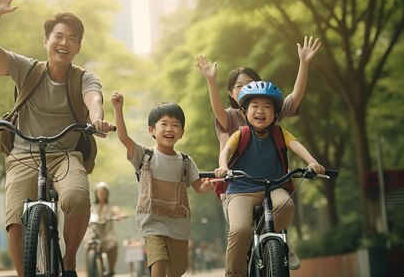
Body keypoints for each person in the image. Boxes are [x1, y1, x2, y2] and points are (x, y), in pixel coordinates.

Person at [0, 0, 115, 277]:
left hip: (65, 154)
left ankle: (70, 261)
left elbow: (94, 99)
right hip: (24, 154)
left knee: (76, 198)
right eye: (58, 36)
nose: (64, 43)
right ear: (46, 40)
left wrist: (97, 118)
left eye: (72, 39)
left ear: (78, 47)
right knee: (14, 218)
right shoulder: (26, 69)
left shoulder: (83, 78)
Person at [213, 81, 326, 277]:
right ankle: (235, 274)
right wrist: (223, 167)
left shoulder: (280, 133)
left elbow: (296, 145)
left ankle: (272, 239)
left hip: (273, 187)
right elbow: (227, 150)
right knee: (239, 230)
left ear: (275, 113)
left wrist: (313, 162)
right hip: (241, 189)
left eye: (267, 107)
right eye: (254, 106)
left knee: (286, 205)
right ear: (244, 111)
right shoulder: (242, 133)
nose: (261, 111)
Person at [195, 36, 321, 211]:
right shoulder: (230, 116)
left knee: (281, 212)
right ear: (231, 94)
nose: (245, 88)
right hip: (236, 185)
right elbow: (217, 109)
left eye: (250, 83)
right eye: (239, 86)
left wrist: (304, 63)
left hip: (269, 183)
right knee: (241, 229)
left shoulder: (268, 112)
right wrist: (211, 81)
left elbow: (295, 97)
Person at [110, 92, 213, 277]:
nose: (169, 129)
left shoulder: (186, 162)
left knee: (178, 270)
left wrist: (206, 186)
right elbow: (124, 138)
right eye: (164, 124)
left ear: (181, 132)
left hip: (178, 226)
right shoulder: (144, 155)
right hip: (152, 224)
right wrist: (118, 109)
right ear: (151, 130)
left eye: (175, 125)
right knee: (157, 264)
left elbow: (198, 186)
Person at [86, 182, 127, 276]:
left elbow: (117, 212)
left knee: (113, 244)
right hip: (94, 234)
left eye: (104, 192)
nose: (101, 193)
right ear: (96, 193)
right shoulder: (91, 208)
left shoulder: (111, 208)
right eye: (100, 192)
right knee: (88, 246)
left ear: (107, 194)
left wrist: (119, 216)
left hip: (107, 235)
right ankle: (89, 271)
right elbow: (85, 214)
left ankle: (111, 269)